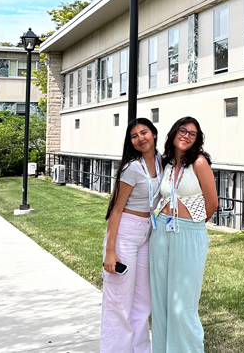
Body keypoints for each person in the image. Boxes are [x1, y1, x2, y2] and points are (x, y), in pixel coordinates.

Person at [150, 116, 219, 353]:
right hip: (162, 231)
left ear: (197, 139)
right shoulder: (167, 163)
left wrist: (192, 225)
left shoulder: (199, 163)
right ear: (173, 133)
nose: (186, 136)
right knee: (161, 300)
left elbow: (212, 203)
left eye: (192, 134)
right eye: (183, 130)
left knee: (183, 303)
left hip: (189, 233)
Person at [101, 117, 162, 353]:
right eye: (134, 136)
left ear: (154, 134)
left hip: (147, 232)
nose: (140, 138)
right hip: (126, 232)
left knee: (142, 301)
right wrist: (110, 252)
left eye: (144, 132)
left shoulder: (161, 162)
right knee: (119, 301)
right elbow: (115, 210)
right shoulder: (132, 168)